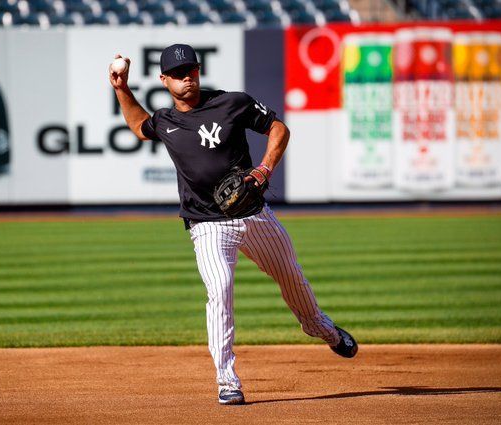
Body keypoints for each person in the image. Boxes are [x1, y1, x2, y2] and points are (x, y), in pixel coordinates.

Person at [109, 44, 357, 406]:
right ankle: (227, 380)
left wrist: (264, 169)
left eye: (191, 70)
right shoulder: (165, 121)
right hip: (206, 223)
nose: (187, 78)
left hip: (254, 214)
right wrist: (121, 88)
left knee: (291, 276)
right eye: (178, 74)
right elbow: (138, 126)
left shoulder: (232, 103)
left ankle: (322, 329)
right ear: (164, 80)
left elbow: (278, 128)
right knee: (220, 291)